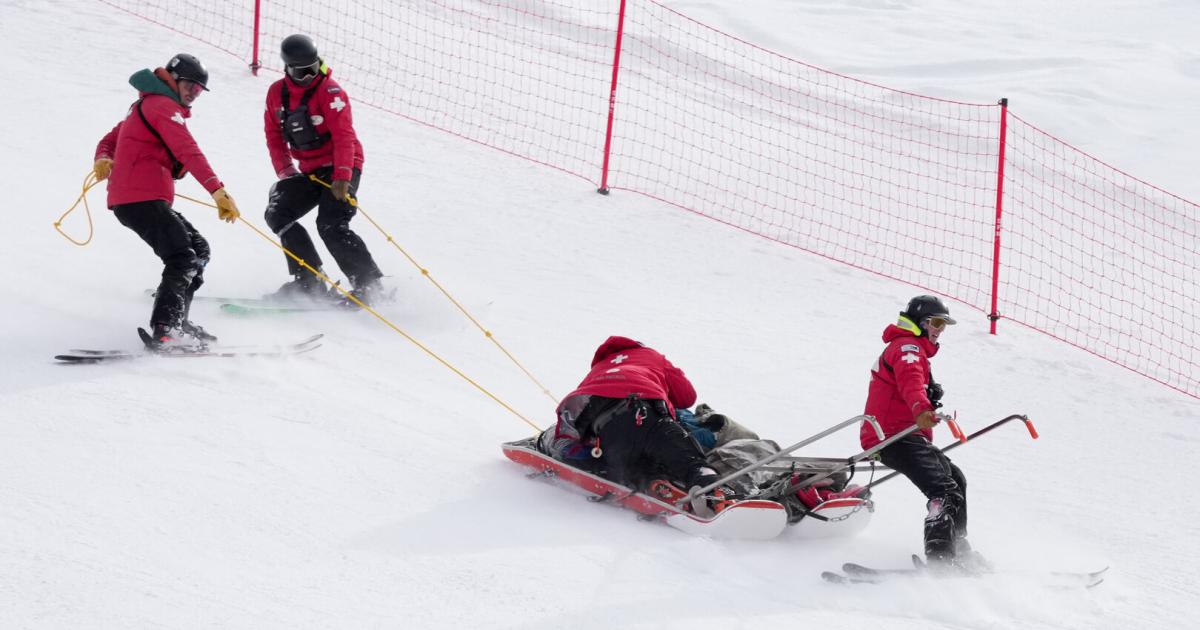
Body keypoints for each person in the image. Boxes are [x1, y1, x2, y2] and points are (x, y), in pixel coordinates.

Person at [93, 53, 241, 347]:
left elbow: (110, 139)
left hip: (145, 198)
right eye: (190, 86)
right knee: (182, 257)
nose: (193, 94)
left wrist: (104, 157)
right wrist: (217, 190)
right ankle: (166, 328)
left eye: (199, 91)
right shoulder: (162, 106)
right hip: (138, 198)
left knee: (198, 249)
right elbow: (188, 151)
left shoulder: (146, 105)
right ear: (172, 79)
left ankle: (177, 321)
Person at [540, 336, 731, 511]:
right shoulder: (651, 356)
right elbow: (687, 397)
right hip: (647, 417)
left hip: (604, 432)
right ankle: (709, 489)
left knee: (623, 462)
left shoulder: (598, 370)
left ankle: (644, 479)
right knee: (683, 455)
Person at [262, 34, 384, 306]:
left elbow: (344, 136)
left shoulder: (331, 92)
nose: (308, 76)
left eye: (313, 69)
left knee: (330, 223)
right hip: (310, 171)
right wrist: (286, 171)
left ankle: (369, 286)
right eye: (301, 72)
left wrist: (343, 176)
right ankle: (309, 280)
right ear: (287, 69)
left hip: (344, 164)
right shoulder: (276, 94)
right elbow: (274, 135)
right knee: (278, 212)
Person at [862, 295, 979, 567]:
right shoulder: (908, 349)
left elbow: (912, 384)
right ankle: (940, 559)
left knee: (956, 480)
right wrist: (921, 408)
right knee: (943, 491)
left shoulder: (913, 349)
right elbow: (911, 382)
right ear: (920, 322)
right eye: (936, 322)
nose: (939, 330)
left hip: (905, 435)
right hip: (891, 437)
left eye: (944, 325)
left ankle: (959, 550)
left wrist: (928, 397)